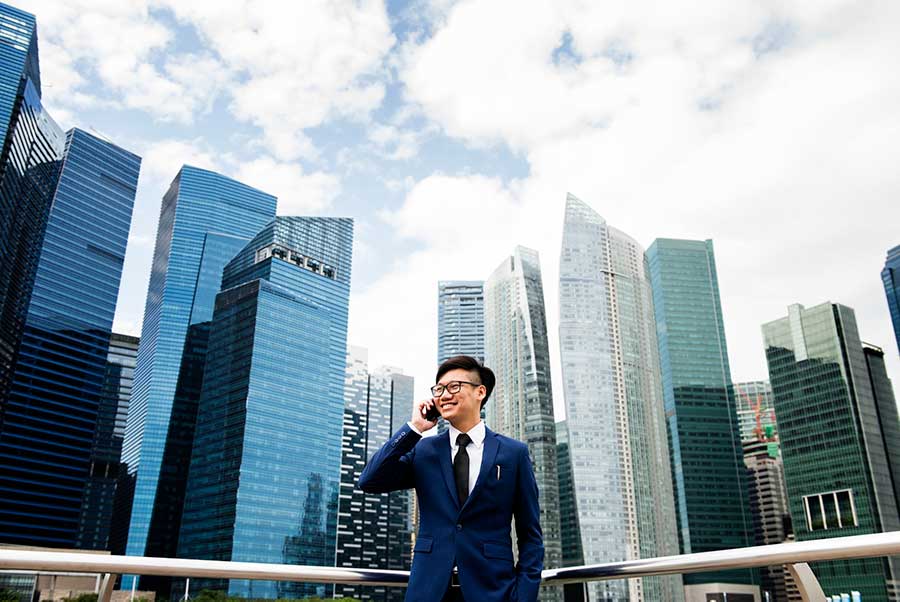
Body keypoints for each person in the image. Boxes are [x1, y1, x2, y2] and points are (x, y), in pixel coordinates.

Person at [358, 355, 544, 602]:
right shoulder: (424, 450)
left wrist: (524, 596)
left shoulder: (513, 453)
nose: (444, 394)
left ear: (480, 392)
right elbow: (370, 480)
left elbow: (530, 535)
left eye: (454, 386)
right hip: (428, 591)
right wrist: (414, 428)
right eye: (439, 389)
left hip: (493, 591)